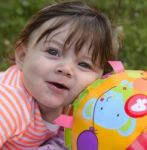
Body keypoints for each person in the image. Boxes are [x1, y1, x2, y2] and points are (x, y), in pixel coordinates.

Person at [0, 1, 116, 149]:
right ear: (23, 56)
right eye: (53, 52)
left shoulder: (80, 107)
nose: (66, 69)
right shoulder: (8, 102)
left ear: (100, 80)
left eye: (84, 64)